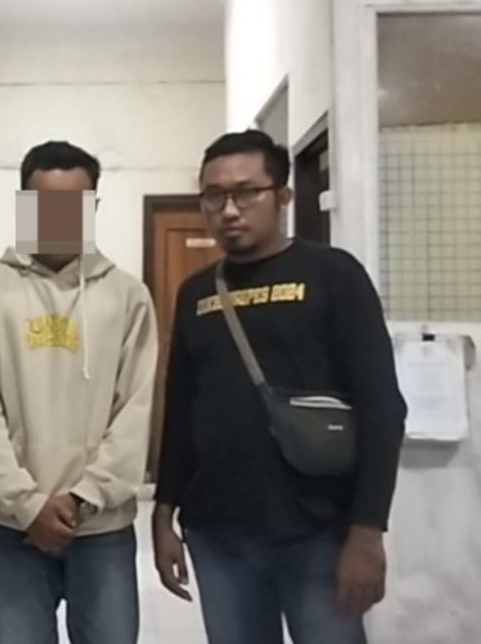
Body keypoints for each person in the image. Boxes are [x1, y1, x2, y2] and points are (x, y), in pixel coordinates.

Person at [153, 130, 407, 644]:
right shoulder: (196, 292)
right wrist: (164, 511)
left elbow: (382, 406)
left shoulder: (333, 275)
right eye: (214, 196)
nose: (229, 210)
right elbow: (181, 408)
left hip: (317, 532)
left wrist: (367, 529)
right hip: (217, 534)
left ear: (283, 196)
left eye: (246, 193)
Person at [0, 141, 159, 644]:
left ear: (93, 206)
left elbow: (135, 410)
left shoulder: (127, 296)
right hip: (11, 527)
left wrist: (85, 497)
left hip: (102, 526)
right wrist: (27, 505)